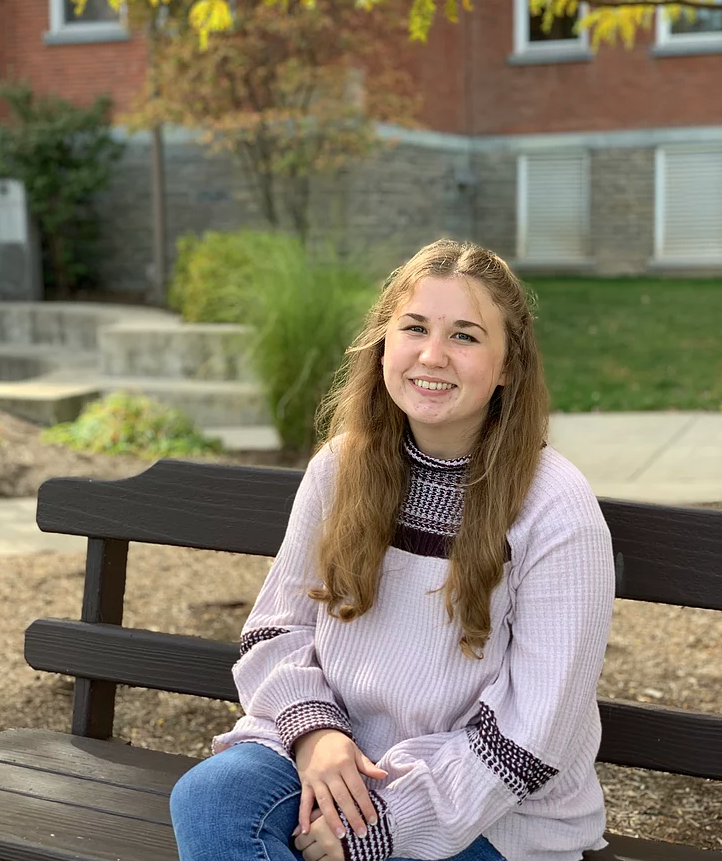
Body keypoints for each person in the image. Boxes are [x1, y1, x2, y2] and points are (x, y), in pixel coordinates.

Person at [169, 238, 616, 861]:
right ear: (384, 343)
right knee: (211, 801)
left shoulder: (555, 507)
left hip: (489, 810)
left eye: (465, 336)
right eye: (414, 328)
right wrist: (315, 734)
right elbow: (276, 630)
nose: (432, 355)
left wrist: (381, 827)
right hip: (335, 758)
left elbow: (537, 731)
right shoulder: (340, 468)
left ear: (508, 366)